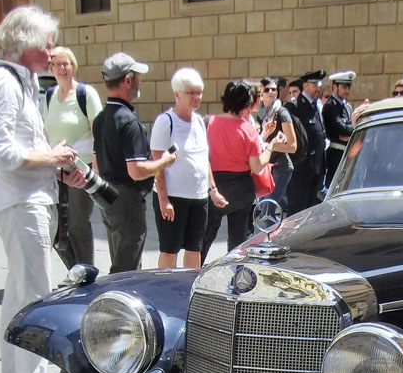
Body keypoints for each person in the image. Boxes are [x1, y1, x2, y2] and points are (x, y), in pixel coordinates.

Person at [0, 4, 87, 373]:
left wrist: (56, 164)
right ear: (24, 43)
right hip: (21, 204)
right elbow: (5, 155)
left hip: (26, 200)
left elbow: (19, 150)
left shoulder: (16, 81)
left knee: (18, 295)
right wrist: (54, 157)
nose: (53, 49)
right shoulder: (3, 84)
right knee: (36, 297)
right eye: (47, 42)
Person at [92, 52, 176, 273]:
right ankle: (115, 304)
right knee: (125, 268)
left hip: (108, 195)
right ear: (128, 80)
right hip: (127, 200)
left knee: (122, 259)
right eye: (137, 76)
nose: (140, 81)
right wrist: (164, 161)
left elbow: (96, 163)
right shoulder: (128, 121)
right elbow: (137, 171)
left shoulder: (102, 118)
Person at [150, 68, 223, 268]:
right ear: (177, 94)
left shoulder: (199, 121)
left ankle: (189, 290)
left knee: (195, 248)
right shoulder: (166, 122)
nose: (197, 97)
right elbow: (158, 165)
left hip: (199, 197)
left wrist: (213, 189)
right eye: (191, 93)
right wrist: (163, 200)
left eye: (199, 92)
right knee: (170, 249)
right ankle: (165, 290)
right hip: (174, 197)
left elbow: (203, 158)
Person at [202, 80, 275, 260]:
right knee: (237, 240)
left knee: (206, 236)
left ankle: (194, 270)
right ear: (246, 105)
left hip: (215, 184)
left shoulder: (208, 122)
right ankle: (235, 275)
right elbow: (257, 167)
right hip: (242, 186)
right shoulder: (248, 130)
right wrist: (271, 147)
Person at [43, 46, 102, 264]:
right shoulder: (49, 96)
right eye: (57, 64)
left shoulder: (86, 94)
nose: (62, 68)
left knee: (77, 224)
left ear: (73, 66)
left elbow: (99, 134)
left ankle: (87, 272)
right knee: (57, 226)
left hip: (80, 168)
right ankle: (74, 269)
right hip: (56, 169)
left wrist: (94, 170)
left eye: (66, 63)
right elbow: (44, 132)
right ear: (51, 68)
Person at [287, 70, 326, 212]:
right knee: (297, 210)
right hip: (302, 169)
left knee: (311, 210)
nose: (318, 88)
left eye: (320, 84)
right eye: (315, 84)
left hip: (316, 167)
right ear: (305, 86)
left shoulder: (315, 105)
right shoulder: (295, 107)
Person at [258, 77, 298, 208]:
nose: (271, 92)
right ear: (261, 93)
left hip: (282, 166)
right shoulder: (261, 113)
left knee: (267, 212)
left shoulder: (282, 113)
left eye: (274, 89)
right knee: (261, 211)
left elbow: (292, 146)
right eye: (267, 89)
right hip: (267, 167)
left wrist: (270, 145)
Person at [324, 71, 366, 188]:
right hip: (336, 152)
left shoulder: (347, 106)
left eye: (349, 86)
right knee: (334, 186)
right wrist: (353, 126)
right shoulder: (330, 106)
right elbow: (342, 129)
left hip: (348, 151)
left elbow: (348, 130)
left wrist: (350, 128)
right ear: (334, 86)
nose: (347, 90)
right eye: (344, 86)